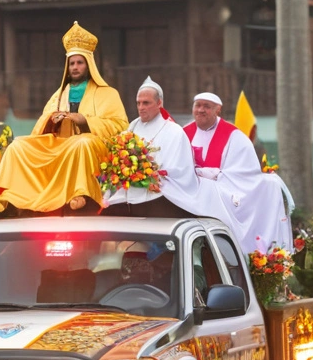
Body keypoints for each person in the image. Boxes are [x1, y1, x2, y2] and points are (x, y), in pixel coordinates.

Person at [0, 22, 128, 215]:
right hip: (60, 144)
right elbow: (39, 128)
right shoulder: (59, 95)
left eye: (80, 62)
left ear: (89, 65)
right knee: (18, 145)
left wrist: (84, 121)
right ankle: (10, 196)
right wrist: (52, 120)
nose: (75, 67)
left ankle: (81, 194)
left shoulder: (108, 93)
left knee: (82, 143)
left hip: (90, 146)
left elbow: (120, 126)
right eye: (72, 63)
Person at [183, 92, 292, 252]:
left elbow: (244, 177)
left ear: (217, 110)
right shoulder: (182, 133)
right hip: (189, 198)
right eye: (198, 105)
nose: (201, 110)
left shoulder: (235, 137)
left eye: (207, 106)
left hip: (222, 199)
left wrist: (210, 174)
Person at [105, 76, 214, 220]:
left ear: (159, 103)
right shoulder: (130, 128)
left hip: (158, 199)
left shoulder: (174, 132)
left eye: (146, 103)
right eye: (138, 103)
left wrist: (149, 173)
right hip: (127, 198)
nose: (141, 107)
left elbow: (181, 171)